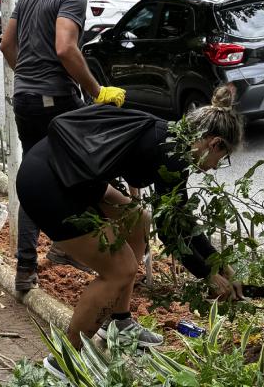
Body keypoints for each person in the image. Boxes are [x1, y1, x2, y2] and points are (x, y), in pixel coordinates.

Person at [16, 86, 244, 377]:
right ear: (215, 144)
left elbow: (179, 219)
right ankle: (62, 363)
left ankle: (120, 323)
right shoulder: (173, 152)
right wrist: (208, 274)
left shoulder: (175, 139)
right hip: (48, 183)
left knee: (139, 220)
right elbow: (172, 231)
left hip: (68, 171)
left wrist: (218, 263)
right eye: (221, 160)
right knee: (120, 268)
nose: (215, 168)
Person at [0, 0, 127, 291]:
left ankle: (27, 267)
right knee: (83, 170)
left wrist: (27, 78)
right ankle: (66, 248)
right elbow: (65, 47)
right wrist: (97, 92)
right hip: (53, 101)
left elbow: (6, 45)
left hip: (26, 99)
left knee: (35, 175)